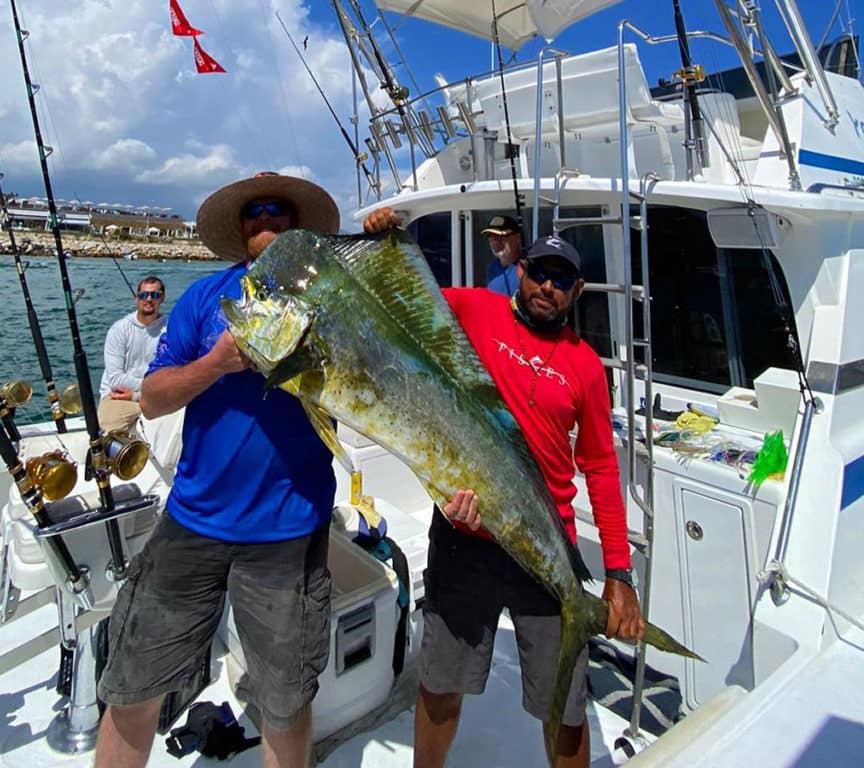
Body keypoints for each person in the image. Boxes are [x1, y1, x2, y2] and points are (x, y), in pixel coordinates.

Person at [365, 208, 643, 768]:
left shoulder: (587, 368)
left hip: (547, 548)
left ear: (577, 290)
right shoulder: (473, 308)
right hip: (467, 536)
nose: (547, 286)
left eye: (561, 279)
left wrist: (619, 573)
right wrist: (386, 241)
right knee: (441, 683)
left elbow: (602, 469)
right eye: (539, 271)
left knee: (564, 706)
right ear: (520, 270)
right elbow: (399, 299)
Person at [93, 172, 340, 768]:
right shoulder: (207, 299)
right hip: (193, 522)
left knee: (283, 704)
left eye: (279, 213)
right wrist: (216, 363)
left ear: (296, 227)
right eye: (255, 214)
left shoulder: (331, 299)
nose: (266, 222)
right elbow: (150, 398)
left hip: (287, 531)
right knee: (131, 687)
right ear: (240, 229)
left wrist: (390, 239)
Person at [97, 276, 167, 433]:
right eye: (143, 295)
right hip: (118, 395)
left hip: (154, 396)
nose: (148, 299)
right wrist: (150, 387)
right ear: (137, 298)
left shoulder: (169, 331)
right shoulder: (119, 330)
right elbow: (115, 378)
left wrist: (138, 395)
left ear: (162, 298)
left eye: (154, 295)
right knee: (110, 421)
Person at [482, 214, 523, 296]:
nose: (495, 243)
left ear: (518, 237)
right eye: (491, 238)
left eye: (500, 237)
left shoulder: (527, 268)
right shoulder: (491, 268)